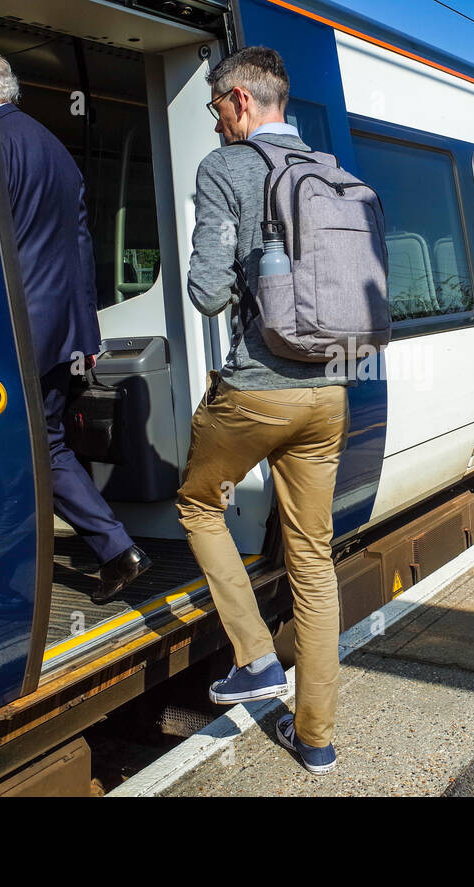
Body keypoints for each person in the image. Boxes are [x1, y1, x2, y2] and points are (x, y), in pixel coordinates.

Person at [177, 46, 350, 775]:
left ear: (242, 102)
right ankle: (316, 740)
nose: (215, 122)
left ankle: (254, 656)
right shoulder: (335, 173)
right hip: (331, 391)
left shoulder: (226, 169)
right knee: (313, 561)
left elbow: (209, 293)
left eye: (216, 107)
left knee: (195, 502)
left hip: (257, 389)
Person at [0, 49, 151, 605]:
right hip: (61, 327)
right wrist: (88, 333)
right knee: (46, 444)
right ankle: (117, 550)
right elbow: (80, 246)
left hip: (11, 329)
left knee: (12, 448)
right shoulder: (54, 147)